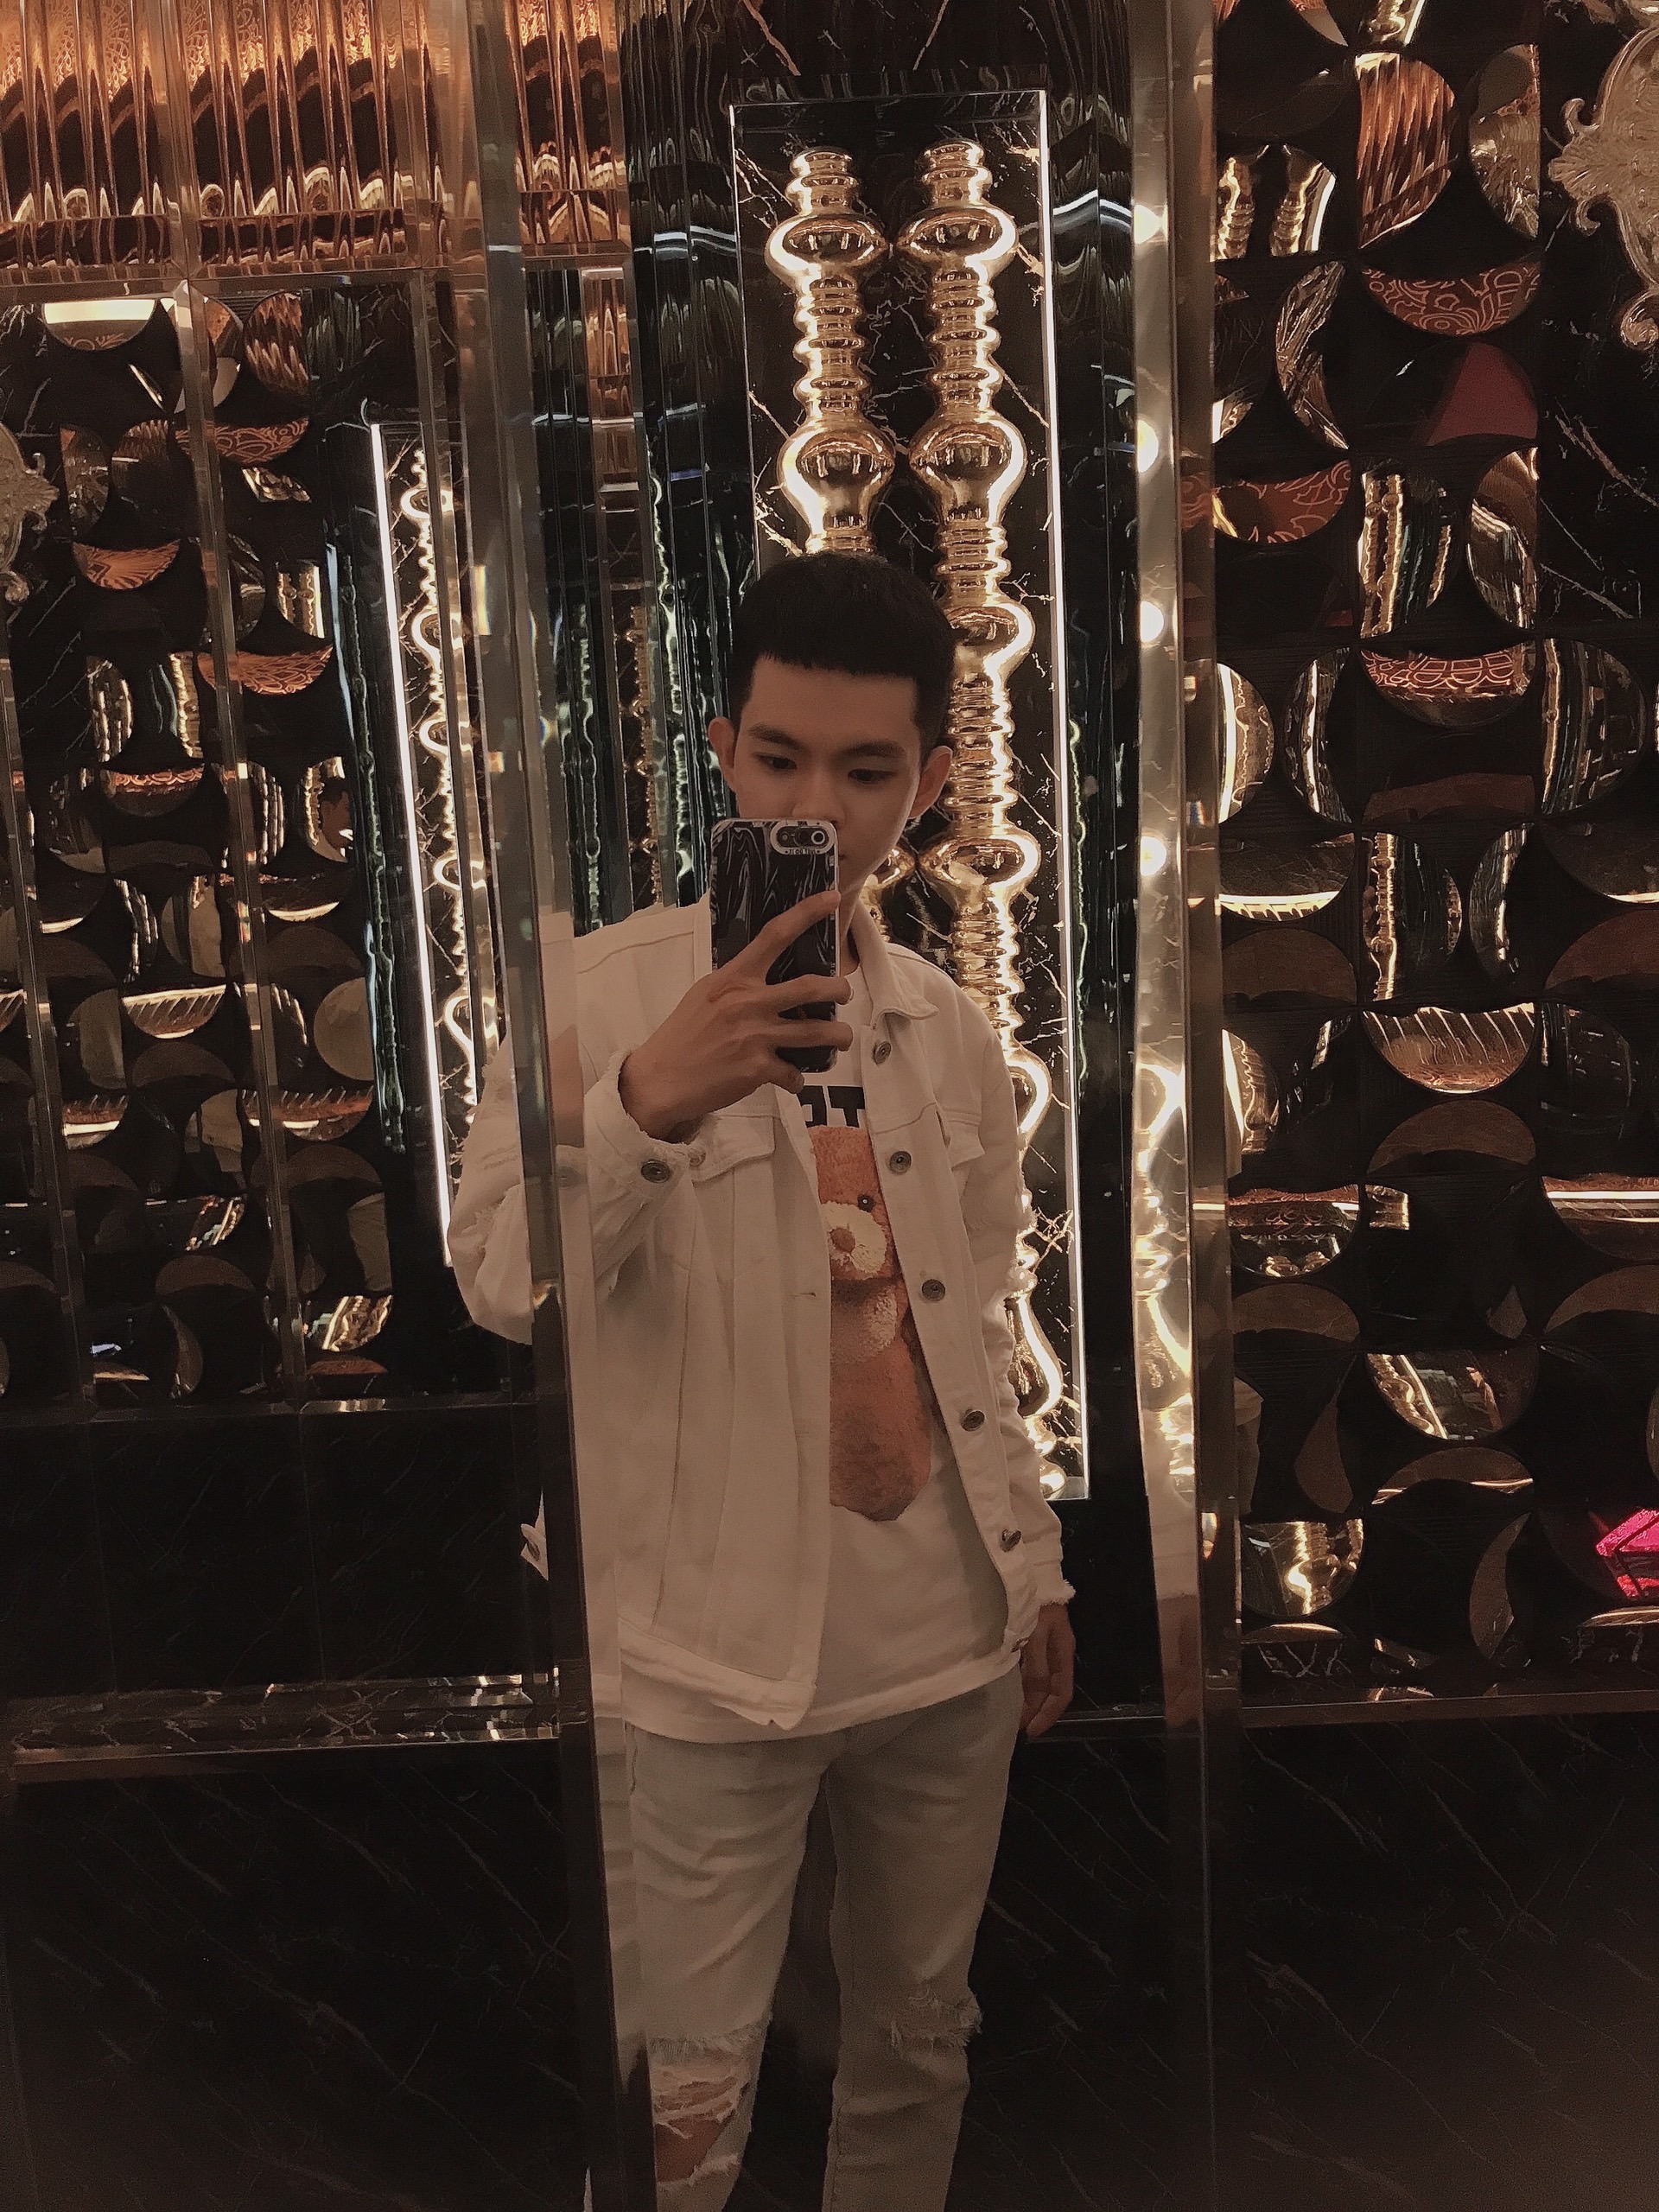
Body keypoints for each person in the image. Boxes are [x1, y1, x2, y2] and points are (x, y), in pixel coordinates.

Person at [450, 551, 1075, 2212]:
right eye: (782, 758)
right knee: (684, 2091)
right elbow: (501, 1284)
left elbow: (973, 1320)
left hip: (946, 1642)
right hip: (701, 1662)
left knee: (921, 2042)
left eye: (866, 772)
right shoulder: (597, 999)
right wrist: (647, 1102)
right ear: (721, 748)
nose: (817, 808)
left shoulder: (946, 1027)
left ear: (930, 785)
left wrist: (1032, 1568)